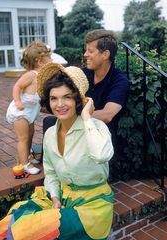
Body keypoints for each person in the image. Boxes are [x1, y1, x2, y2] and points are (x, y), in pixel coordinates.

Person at [0, 63, 114, 240]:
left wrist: (87, 117)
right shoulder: (50, 134)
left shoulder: (95, 128)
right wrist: (54, 197)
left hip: (92, 206)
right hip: (61, 199)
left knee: (33, 232)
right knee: (14, 219)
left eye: (67, 97)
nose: (59, 105)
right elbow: (51, 173)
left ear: (78, 100)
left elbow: (102, 155)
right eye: (54, 98)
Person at [41, 29, 130, 162]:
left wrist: (74, 115)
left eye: (90, 51)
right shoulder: (83, 74)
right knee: (49, 121)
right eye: (86, 50)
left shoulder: (119, 80)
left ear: (105, 54)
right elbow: (58, 92)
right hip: (75, 126)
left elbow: (107, 115)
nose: (85, 54)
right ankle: (54, 165)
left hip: (99, 135)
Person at [6, 41, 52, 174]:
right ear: (39, 61)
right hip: (21, 112)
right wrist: (17, 100)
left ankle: (27, 157)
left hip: (29, 114)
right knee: (23, 138)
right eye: (48, 57)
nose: (51, 59)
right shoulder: (31, 75)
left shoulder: (42, 76)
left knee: (30, 135)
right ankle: (25, 164)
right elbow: (17, 86)